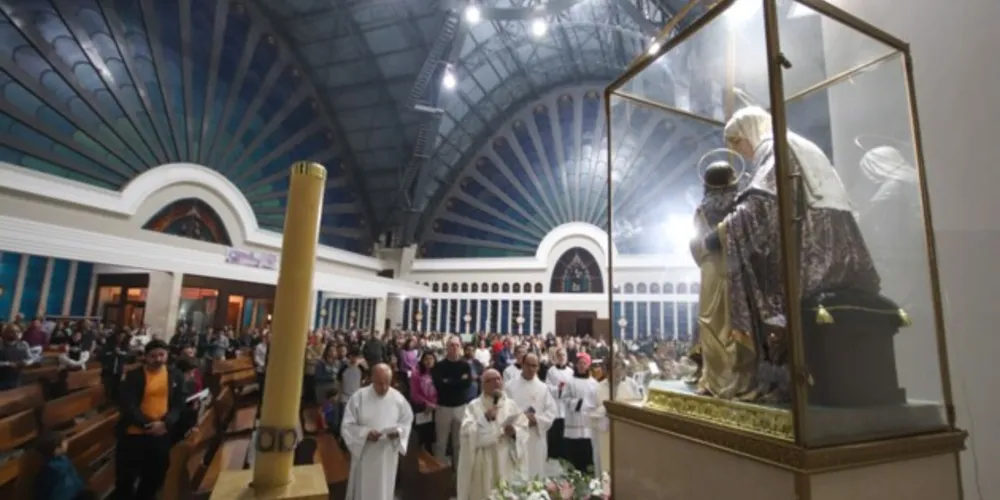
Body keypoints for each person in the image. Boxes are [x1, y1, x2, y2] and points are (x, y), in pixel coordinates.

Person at [701, 106, 881, 402]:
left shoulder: (774, 148)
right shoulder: (802, 145)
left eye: (737, 144)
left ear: (748, 133)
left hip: (808, 254)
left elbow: (760, 208)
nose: (741, 153)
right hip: (841, 250)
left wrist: (720, 235)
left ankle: (783, 385)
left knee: (772, 306)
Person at [688, 159, 752, 397]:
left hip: (710, 269)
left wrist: (705, 261)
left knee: (710, 321)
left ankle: (713, 380)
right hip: (737, 265)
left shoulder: (701, 210)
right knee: (734, 320)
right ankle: (736, 378)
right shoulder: (740, 205)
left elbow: (695, 244)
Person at [115, 339, 185, 500]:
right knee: (126, 478)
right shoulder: (134, 376)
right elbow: (128, 405)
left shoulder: (175, 375)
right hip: (133, 434)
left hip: (161, 433)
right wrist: (148, 424)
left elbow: (179, 404)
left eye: (162, 355)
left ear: (167, 355)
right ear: (146, 357)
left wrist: (165, 423)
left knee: (155, 476)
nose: (158, 359)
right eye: (153, 356)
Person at [340, 364, 414, 500]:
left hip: (387, 454)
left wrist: (397, 432)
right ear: (372, 378)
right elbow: (347, 426)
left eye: (387, 383)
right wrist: (365, 434)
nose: (384, 387)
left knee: (384, 489)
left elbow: (406, 420)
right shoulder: (359, 397)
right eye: (380, 383)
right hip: (366, 452)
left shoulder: (398, 398)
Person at [456, 368, 529, 500]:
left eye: (498, 379)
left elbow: (523, 426)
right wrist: (485, 418)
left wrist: (514, 432)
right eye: (490, 380)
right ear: (483, 384)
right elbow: (466, 432)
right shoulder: (474, 406)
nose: (496, 382)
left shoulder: (511, 405)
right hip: (485, 459)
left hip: (506, 456)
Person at [504, 353, 557, 479]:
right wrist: (521, 419)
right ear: (522, 365)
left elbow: (551, 411)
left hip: (535, 437)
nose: (532, 369)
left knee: (536, 472)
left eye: (535, 366)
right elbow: (504, 411)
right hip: (516, 436)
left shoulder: (543, 388)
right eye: (529, 365)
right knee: (516, 474)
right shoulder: (510, 386)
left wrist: (536, 419)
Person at [430, 336, 473, 464]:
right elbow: (439, 386)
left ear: (460, 348)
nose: (454, 348)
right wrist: (458, 380)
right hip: (443, 407)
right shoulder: (439, 366)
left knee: (459, 442)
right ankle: (439, 472)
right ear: (447, 348)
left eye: (457, 345)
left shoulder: (465, 365)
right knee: (441, 442)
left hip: (460, 407)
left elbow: (467, 384)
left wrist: (449, 381)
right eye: (451, 345)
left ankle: (458, 472)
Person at [559, 352, 599, 474]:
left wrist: (590, 406)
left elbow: (597, 401)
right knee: (574, 451)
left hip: (588, 422)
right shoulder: (570, 382)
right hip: (573, 421)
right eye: (579, 363)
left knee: (587, 451)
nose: (581, 366)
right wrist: (578, 403)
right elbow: (564, 398)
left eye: (584, 363)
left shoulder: (594, 383)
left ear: (588, 366)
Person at [35, 431, 94, 500]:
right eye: (64, 442)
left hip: (75, 493)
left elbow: (73, 477)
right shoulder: (49, 469)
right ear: (56, 449)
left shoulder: (62, 458)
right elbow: (43, 492)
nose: (67, 442)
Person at [543, 347, 572, 460]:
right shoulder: (551, 371)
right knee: (554, 431)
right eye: (559, 356)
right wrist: (558, 389)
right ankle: (553, 453)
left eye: (563, 355)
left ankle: (565, 453)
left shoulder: (571, 371)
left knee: (565, 430)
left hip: (566, 405)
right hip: (555, 404)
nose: (562, 358)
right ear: (556, 357)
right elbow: (547, 386)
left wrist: (566, 390)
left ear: (566, 357)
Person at [408, 351, 438, 453]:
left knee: (432, 436)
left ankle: (431, 457)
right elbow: (414, 394)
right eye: (426, 359)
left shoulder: (438, 373)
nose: (429, 361)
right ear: (422, 361)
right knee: (421, 435)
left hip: (436, 407)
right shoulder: (416, 373)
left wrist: (435, 404)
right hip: (422, 407)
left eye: (431, 358)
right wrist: (427, 404)